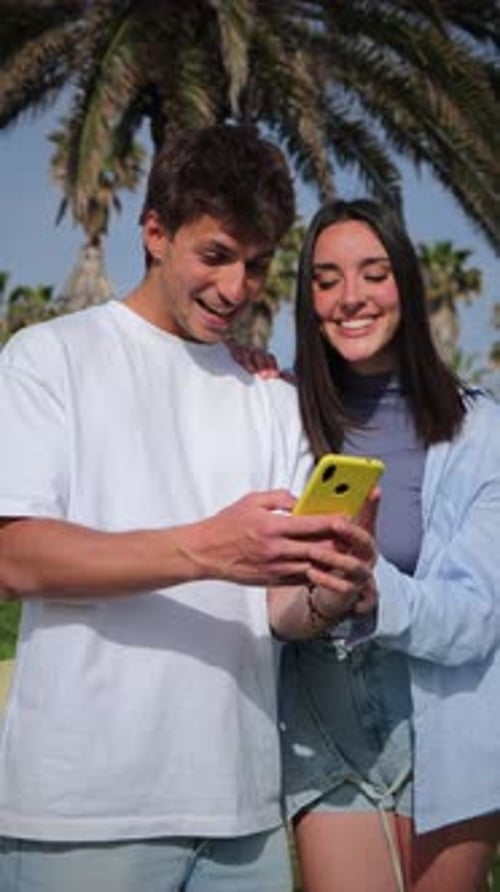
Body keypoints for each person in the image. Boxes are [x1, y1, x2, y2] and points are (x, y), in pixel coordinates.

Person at [0, 127, 377, 892]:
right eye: (216, 255)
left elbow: (280, 611)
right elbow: (16, 558)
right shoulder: (48, 358)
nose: (237, 288)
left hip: (243, 819)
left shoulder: (271, 397)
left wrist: (331, 590)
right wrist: (207, 549)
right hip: (83, 815)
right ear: (155, 233)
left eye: (258, 263)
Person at [247, 198, 500, 892]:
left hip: (448, 729)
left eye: (373, 273)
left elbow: (478, 615)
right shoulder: (276, 412)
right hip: (321, 727)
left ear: (407, 286)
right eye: (326, 280)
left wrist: (374, 590)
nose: (350, 297)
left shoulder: (483, 435)